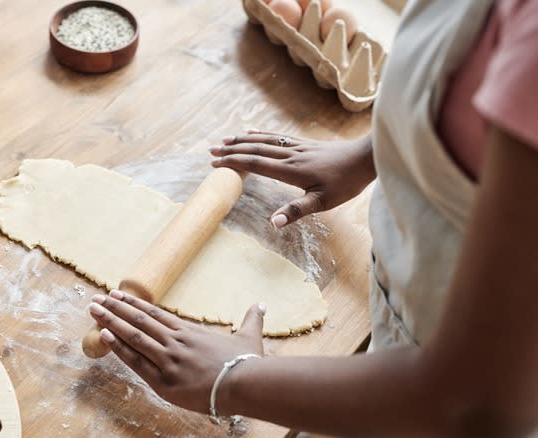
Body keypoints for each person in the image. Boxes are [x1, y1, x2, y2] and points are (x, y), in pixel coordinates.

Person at [87, 0, 538, 436]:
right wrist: (373, 152)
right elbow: (469, 83)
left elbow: (478, 404)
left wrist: (234, 380)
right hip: (405, 341)